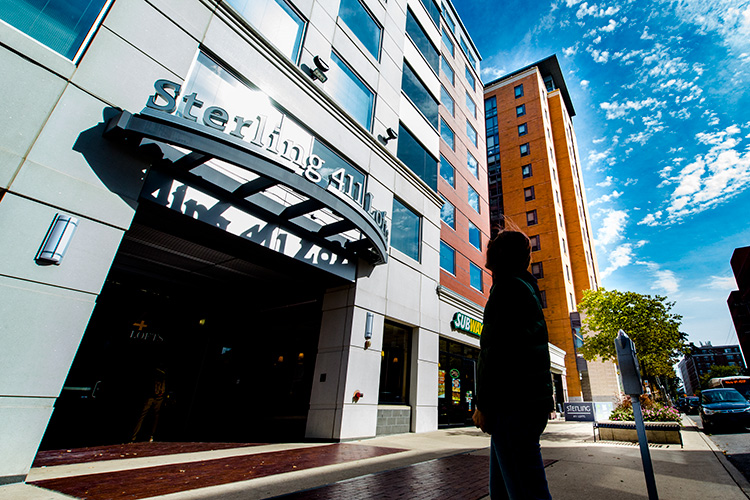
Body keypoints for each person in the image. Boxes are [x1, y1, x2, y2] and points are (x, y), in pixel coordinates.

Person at [472, 229, 554, 500]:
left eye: (492, 248)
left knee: (527, 492)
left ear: (497, 257)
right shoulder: (525, 288)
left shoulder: (507, 289)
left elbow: (494, 353)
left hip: (513, 407)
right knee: (503, 491)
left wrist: (482, 404)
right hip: (527, 405)